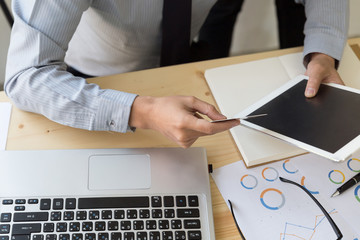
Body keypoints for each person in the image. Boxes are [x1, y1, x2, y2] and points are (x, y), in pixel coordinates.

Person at [5, 0, 348, 148]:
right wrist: (142, 110)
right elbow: (25, 76)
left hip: (193, 53)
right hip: (99, 79)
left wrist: (323, 49)